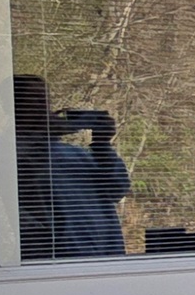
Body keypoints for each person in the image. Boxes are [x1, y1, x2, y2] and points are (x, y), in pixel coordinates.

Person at [11, 73, 132, 260]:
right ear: (13, 106)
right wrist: (51, 132)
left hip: (106, 257)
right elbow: (26, 176)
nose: (43, 105)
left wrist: (101, 145)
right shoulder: (6, 154)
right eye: (34, 98)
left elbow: (117, 189)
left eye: (45, 98)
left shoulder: (75, 154)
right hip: (58, 262)